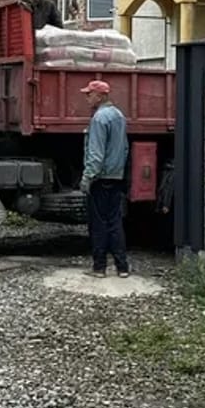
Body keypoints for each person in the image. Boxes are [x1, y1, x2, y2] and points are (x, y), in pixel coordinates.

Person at [79, 80, 130, 278]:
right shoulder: (119, 115)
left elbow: (96, 153)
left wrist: (87, 177)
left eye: (89, 94)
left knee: (98, 223)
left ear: (99, 96)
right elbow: (124, 148)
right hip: (117, 176)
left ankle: (99, 267)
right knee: (115, 222)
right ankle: (122, 267)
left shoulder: (99, 119)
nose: (87, 97)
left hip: (101, 178)